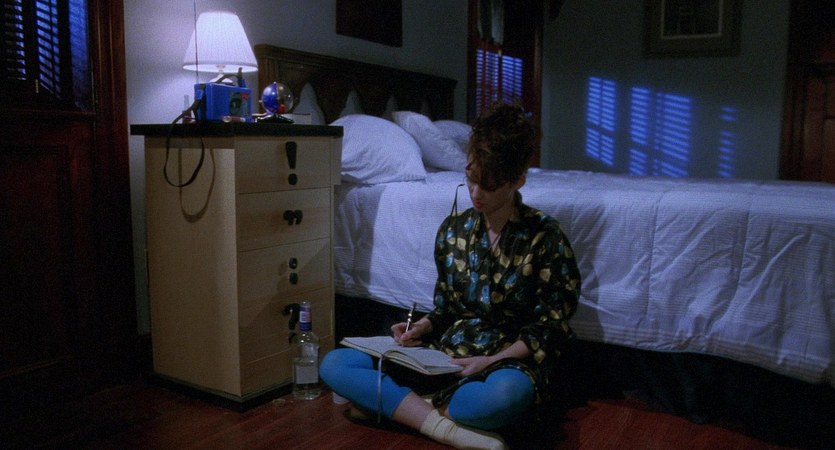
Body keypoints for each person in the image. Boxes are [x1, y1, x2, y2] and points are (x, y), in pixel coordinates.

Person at [320, 102, 582, 450]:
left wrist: (490, 361)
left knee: (504, 397)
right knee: (335, 363)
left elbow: (550, 329)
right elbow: (446, 308)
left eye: (489, 186)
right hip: (445, 354)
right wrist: (420, 328)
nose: (476, 194)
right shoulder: (453, 229)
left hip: (503, 361)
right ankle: (441, 424)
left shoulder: (545, 237)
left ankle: (397, 407)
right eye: (471, 179)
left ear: (517, 180)